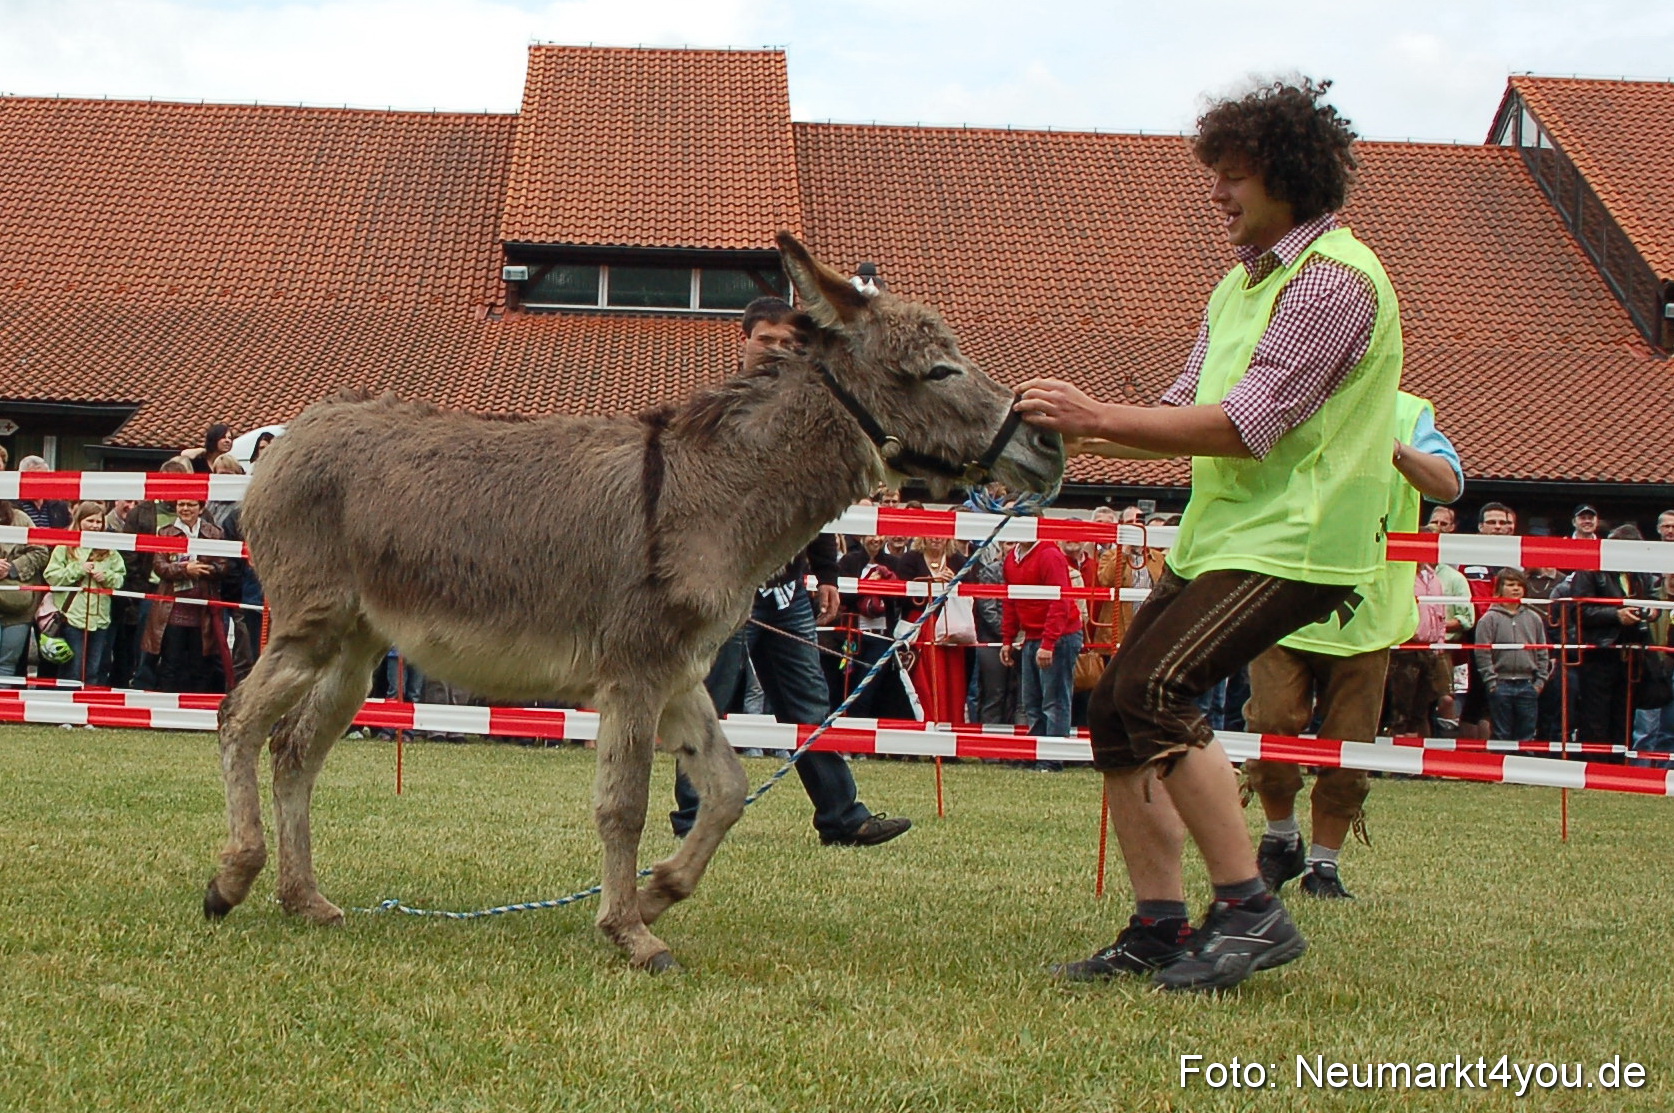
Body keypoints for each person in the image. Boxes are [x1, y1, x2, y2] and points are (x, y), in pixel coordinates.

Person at [1018, 79, 1402, 991]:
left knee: (1155, 686)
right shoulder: (1242, 286)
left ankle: (1249, 907)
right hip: (1228, 536)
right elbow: (1182, 408)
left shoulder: (1337, 282)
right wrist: (1072, 431)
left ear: (1288, 178)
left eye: (1233, 178)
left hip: (1301, 543)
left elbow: (1246, 422)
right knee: (1114, 705)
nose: (1217, 195)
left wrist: (1096, 412)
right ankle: (1158, 924)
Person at [670, 297, 910, 848]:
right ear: (744, 340)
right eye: (767, 341)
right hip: (724, 590)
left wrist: (825, 573)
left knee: (807, 704)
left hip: (786, 589)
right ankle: (692, 824)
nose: (777, 351)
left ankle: (843, 818)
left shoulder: (806, 412)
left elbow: (813, 502)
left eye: (789, 344)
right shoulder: (714, 413)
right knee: (708, 706)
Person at [1243, 392, 1463, 901]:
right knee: (1269, 724)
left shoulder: (1407, 412)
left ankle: (1324, 865)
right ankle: (1281, 840)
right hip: (1280, 603)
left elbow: (1449, 485)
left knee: (1349, 744)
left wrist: (1394, 449)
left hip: (1366, 613)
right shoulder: (1280, 397)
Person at [1570, 524, 1659, 749]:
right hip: (1600, 653)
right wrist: (1615, 615)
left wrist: (1652, 611)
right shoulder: (1590, 569)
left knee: (1625, 717)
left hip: (1633, 655)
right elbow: (1578, 610)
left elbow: (1653, 598)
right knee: (1596, 718)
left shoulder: (1641, 572)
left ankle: (1619, 771)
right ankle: (1596, 769)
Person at [145, 497, 230, 692]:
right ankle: (166, 710)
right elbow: (160, 567)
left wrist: (203, 569)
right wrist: (185, 570)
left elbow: (224, 565)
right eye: (181, 504)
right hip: (172, 611)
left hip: (203, 612)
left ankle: (195, 709)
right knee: (170, 664)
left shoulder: (215, 533)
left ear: (201, 508)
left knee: (200, 665)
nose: (185, 509)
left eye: (191, 504)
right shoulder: (164, 532)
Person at [43, 501, 127, 686]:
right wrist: (78, 569)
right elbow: (51, 576)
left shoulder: (110, 551)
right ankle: (66, 710)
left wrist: (106, 576)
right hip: (73, 618)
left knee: (93, 670)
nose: (95, 526)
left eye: (99, 522)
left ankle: (88, 709)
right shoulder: (66, 547)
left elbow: (120, 579)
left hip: (100, 619)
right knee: (72, 670)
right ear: (79, 520)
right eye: (90, 521)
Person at [1473, 567, 1550, 742]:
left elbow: (1542, 650)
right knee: (1501, 734)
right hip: (1500, 684)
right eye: (1510, 585)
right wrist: (1491, 681)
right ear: (1499, 588)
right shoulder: (1489, 619)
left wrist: (1540, 681)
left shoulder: (1534, 618)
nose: (1516, 589)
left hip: (1528, 684)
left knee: (1527, 735)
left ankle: (1524, 768)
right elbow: (1482, 652)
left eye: (1519, 585)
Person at [0, 499, 50, 677]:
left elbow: (41, 551)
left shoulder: (22, 519)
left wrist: (13, 568)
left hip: (19, 607)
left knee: (7, 664)